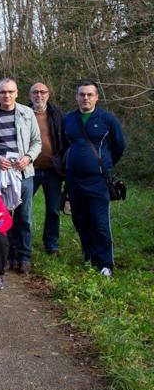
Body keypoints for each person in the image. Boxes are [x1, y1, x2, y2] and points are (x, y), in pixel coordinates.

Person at [0, 78, 41, 275]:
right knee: (1, 218)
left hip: (23, 173)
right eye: (3, 92)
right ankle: (4, 257)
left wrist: (28, 158)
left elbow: (37, 141)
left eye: (10, 92)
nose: (7, 95)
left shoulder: (27, 114)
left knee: (24, 217)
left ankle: (23, 257)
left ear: (17, 93)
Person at [62, 80, 125, 277]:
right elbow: (65, 144)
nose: (85, 98)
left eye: (90, 94)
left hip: (98, 181)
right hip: (74, 180)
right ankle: (89, 256)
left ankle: (106, 264)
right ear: (77, 97)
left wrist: (103, 165)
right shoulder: (69, 119)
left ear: (97, 97)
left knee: (100, 223)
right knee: (80, 221)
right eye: (82, 94)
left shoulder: (107, 119)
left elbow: (119, 146)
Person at [29, 82, 65, 255]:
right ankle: (21, 242)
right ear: (30, 95)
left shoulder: (57, 114)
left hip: (53, 170)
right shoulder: (24, 113)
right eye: (35, 92)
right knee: (23, 207)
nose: (39, 95)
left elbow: (64, 140)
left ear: (48, 95)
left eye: (42, 92)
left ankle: (51, 243)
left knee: (53, 208)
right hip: (29, 169)